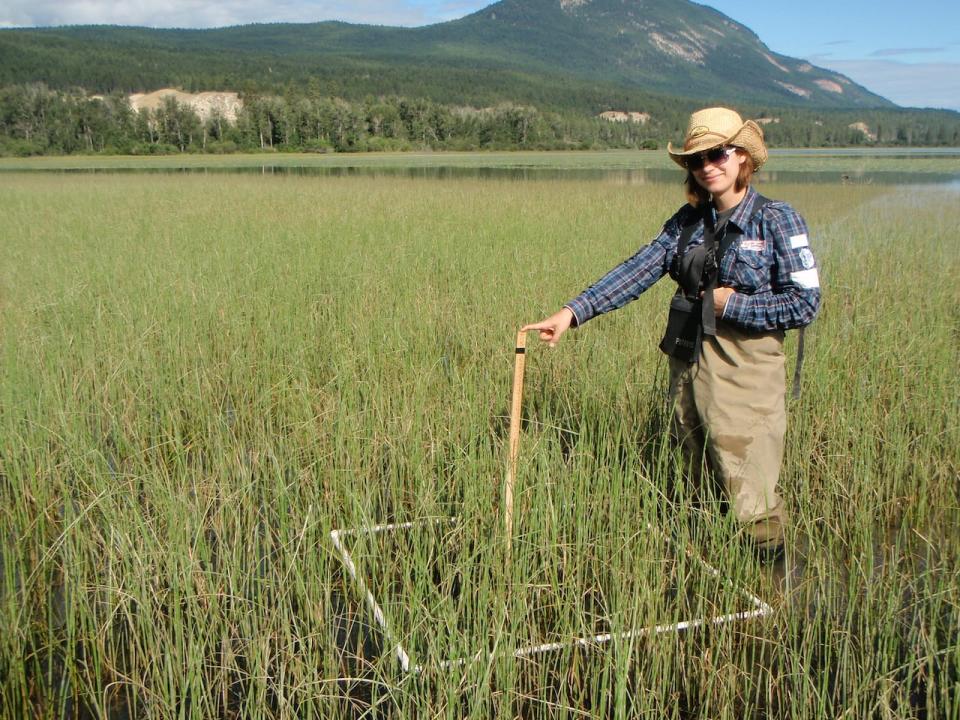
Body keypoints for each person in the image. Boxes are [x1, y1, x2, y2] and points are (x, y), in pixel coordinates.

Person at [522, 107, 820, 558]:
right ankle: (714, 566)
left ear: (742, 157)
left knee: (751, 491)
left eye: (717, 154)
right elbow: (637, 270)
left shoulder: (776, 220)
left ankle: (771, 585)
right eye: (696, 160)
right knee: (697, 469)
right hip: (687, 359)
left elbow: (804, 304)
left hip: (747, 369)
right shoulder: (686, 222)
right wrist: (572, 312)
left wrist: (729, 303)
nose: (707, 167)